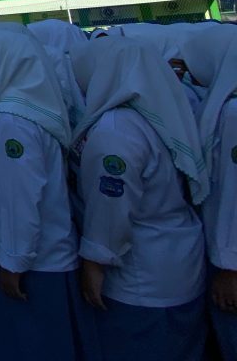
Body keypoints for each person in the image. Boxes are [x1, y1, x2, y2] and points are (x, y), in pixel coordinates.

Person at [0, 28, 97, 361]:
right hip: (34, 250)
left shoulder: (16, 122)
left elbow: (21, 199)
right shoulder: (25, 107)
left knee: (32, 343)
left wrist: (14, 261)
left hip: (34, 260)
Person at [71, 36, 208, 360]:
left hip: (138, 278)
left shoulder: (117, 129)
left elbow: (111, 208)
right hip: (180, 259)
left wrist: (94, 260)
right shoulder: (166, 113)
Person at [181, 23, 237, 360]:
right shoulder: (222, 104)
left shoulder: (232, 113)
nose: (187, 70)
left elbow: (233, 193)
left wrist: (230, 267)